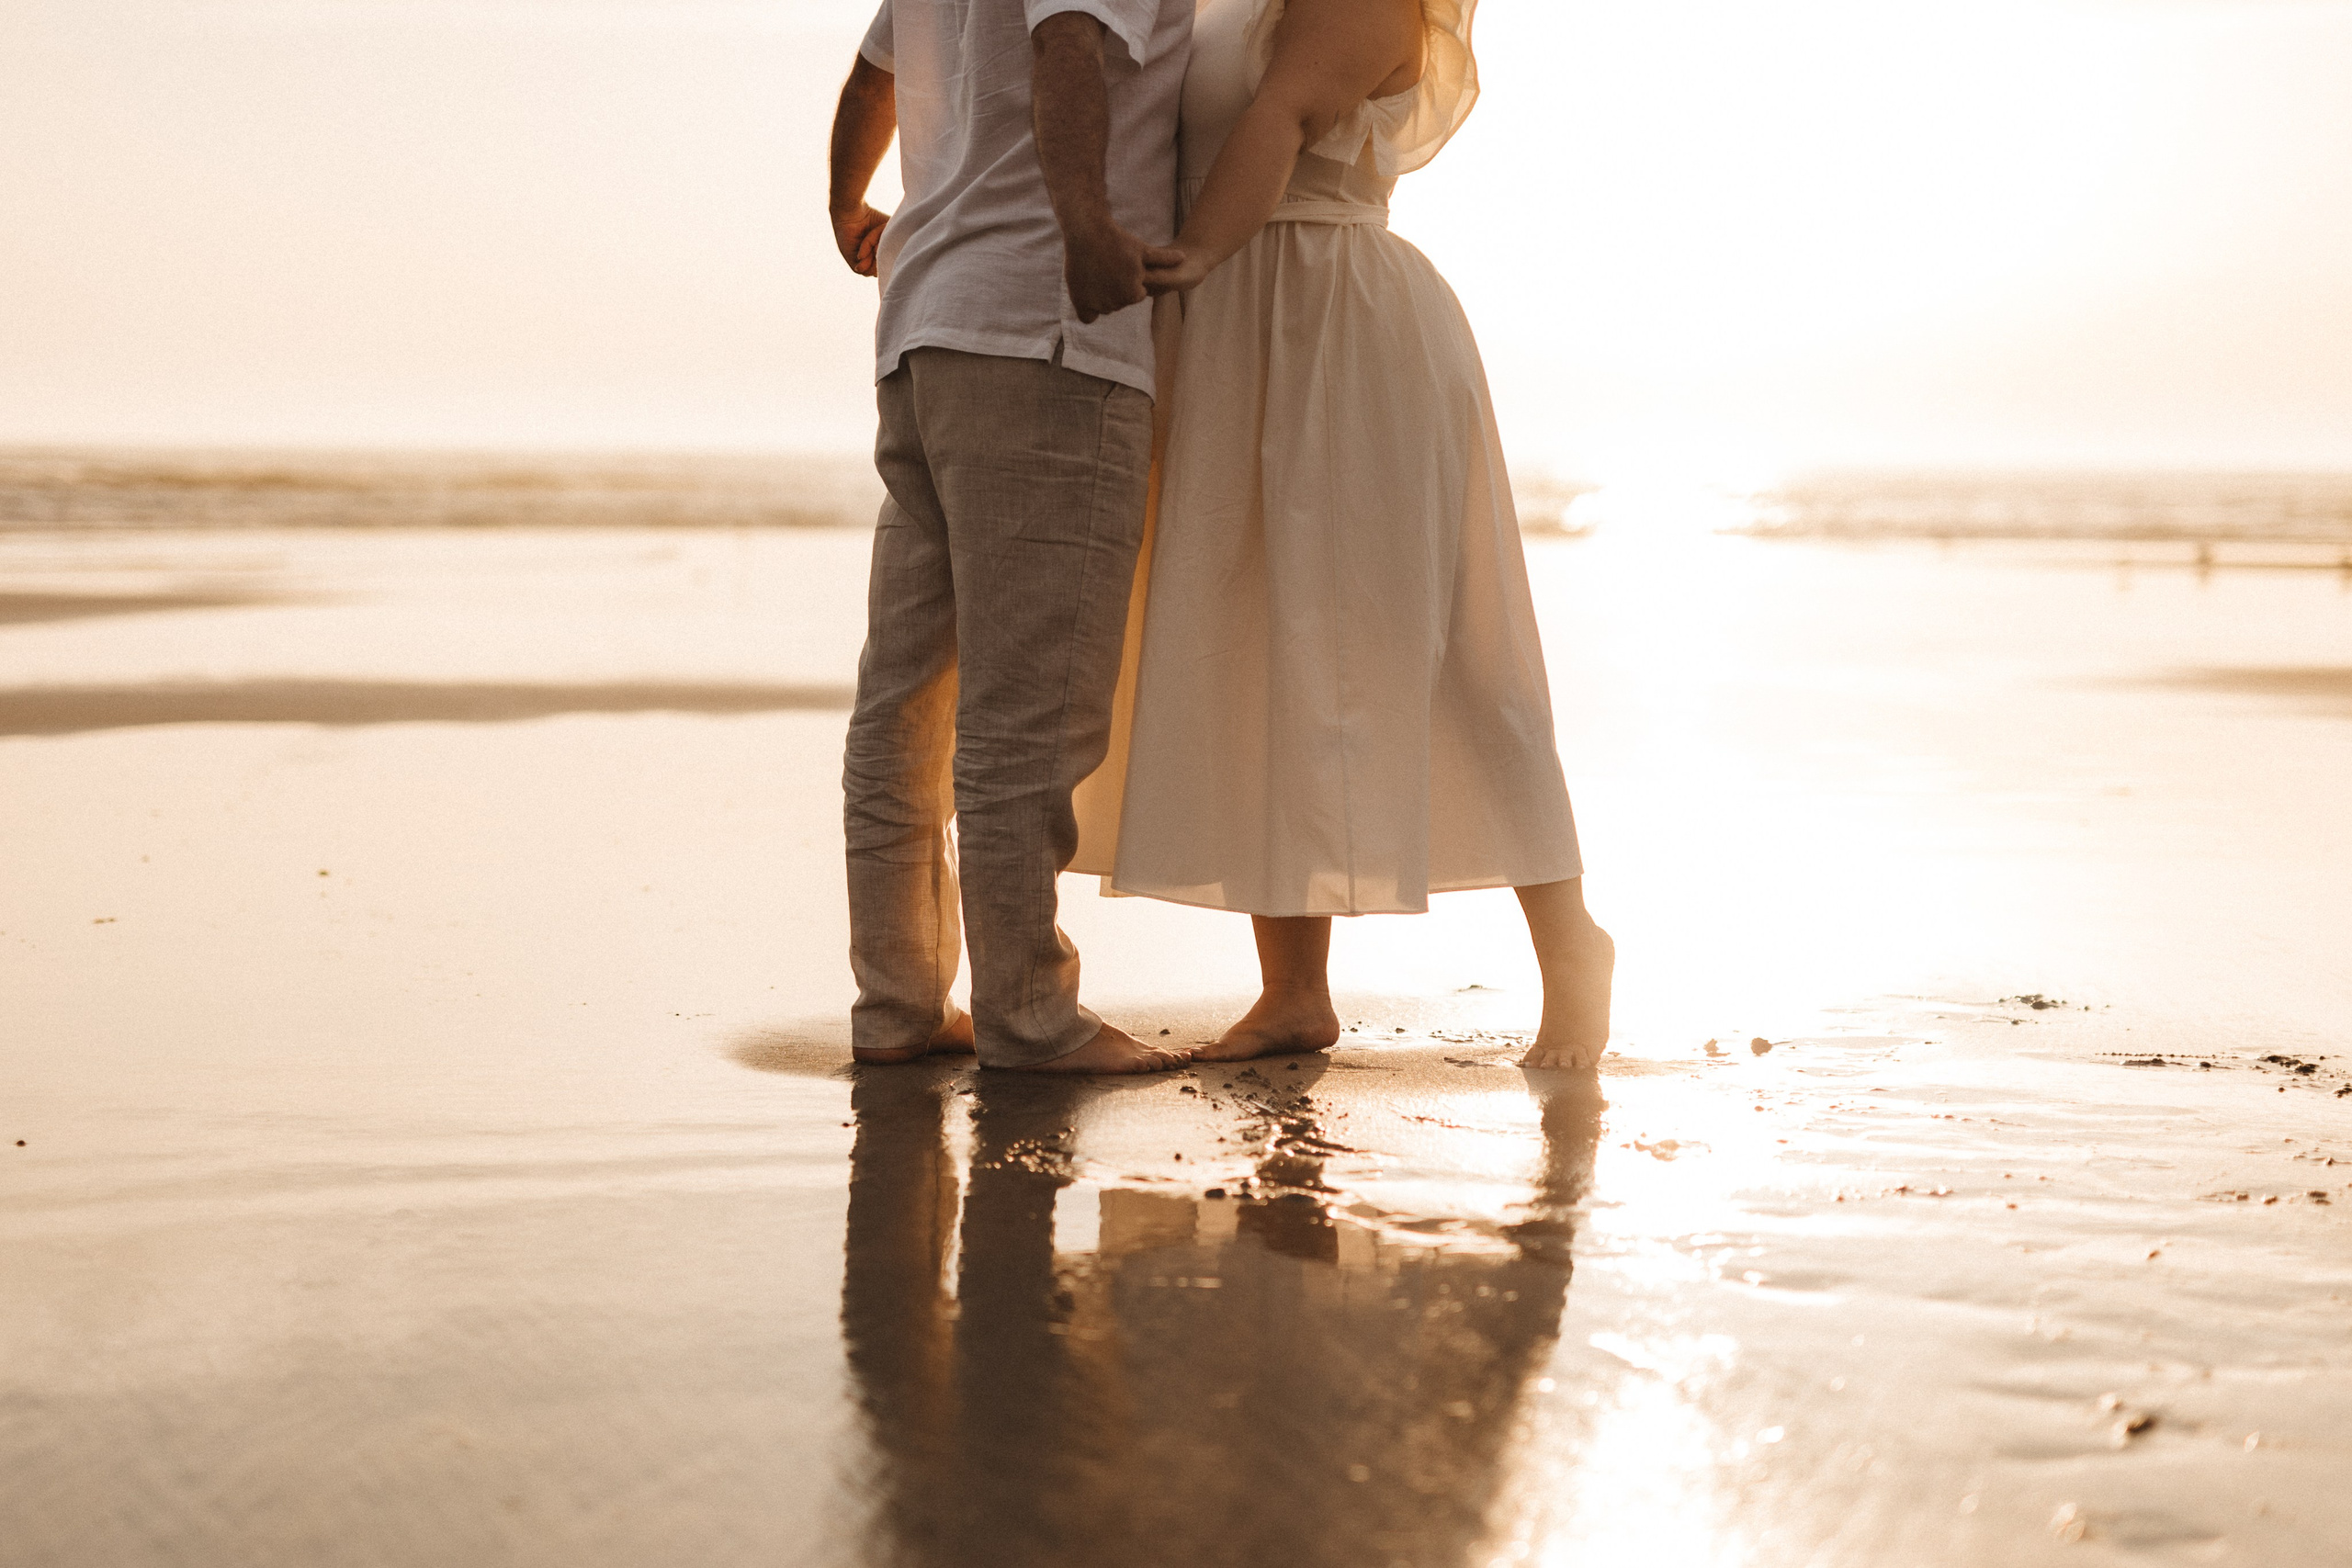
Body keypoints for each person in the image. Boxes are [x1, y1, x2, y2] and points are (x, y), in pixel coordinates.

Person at [1074, 0, 1616, 1069]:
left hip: (1333, 315)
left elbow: (1281, 116)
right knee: (1254, 639)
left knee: (1447, 653)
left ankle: (1571, 947)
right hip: (1227, 322)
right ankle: (1293, 995)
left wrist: (1188, 255)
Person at [826, 0, 1196, 1073]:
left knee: (905, 699)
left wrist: (849, 204)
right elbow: (1067, 42)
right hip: (1043, 333)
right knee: (1024, 713)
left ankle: (897, 1006)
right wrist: (1086, 226)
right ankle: (1030, 1017)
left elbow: (868, 83)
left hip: (924, 327)